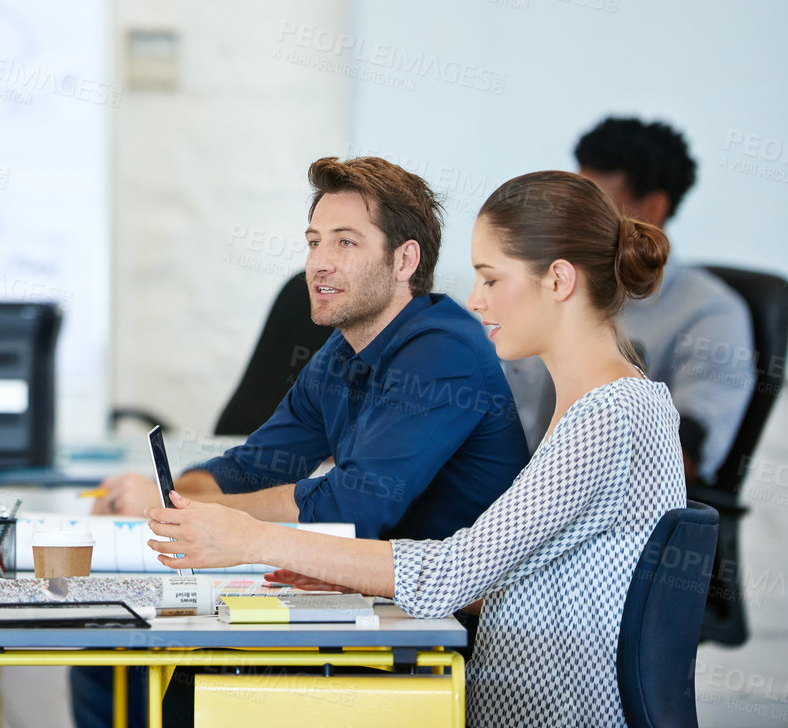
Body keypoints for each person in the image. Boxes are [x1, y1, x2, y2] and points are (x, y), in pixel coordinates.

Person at [149, 170, 682, 727]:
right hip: (505, 699)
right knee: (202, 681)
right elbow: (513, 580)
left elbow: (448, 573)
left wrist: (255, 538)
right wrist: (340, 569)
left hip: (544, 713)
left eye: (491, 280)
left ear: (559, 281)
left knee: (201, 693)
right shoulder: (589, 408)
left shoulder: (611, 416)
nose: (475, 301)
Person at [75, 157, 530, 728]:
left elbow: (353, 506)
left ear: (404, 260)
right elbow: (250, 467)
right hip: (375, 609)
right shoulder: (341, 353)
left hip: (449, 638)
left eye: (345, 242)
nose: (318, 263)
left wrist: (216, 522)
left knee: (183, 689)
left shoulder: (445, 353)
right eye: (314, 242)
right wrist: (170, 507)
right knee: (108, 653)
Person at [505, 117, 754, 485]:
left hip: (601, 518)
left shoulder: (712, 313)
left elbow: (683, 456)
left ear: (652, 210)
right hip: (507, 494)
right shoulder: (554, 285)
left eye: (595, 204)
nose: (575, 218)